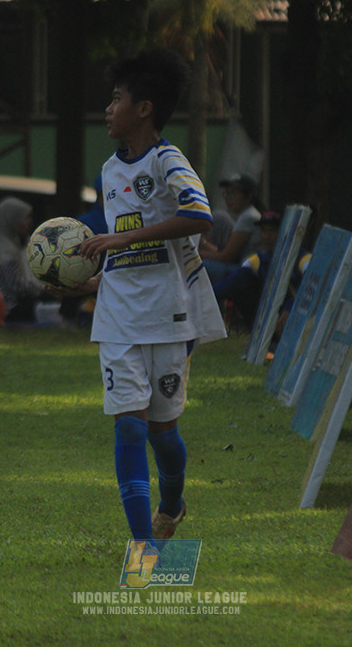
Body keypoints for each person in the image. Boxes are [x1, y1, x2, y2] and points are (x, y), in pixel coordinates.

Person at [57, 48, 226, 548]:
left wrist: (122, 240)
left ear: (144, 108)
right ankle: (141, 546)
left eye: (116, 99)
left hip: (170, 315)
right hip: (116, 318)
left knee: (162, 435)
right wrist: (77, 274)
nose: (108, 109)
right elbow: (108, 237)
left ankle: (172, 501)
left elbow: (200, 217)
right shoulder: (109, 172)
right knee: (128, 429)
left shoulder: (168, 160)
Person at [213, 210, 311, 330]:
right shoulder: (259, 260)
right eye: (263, 231)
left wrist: (289, 308)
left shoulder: (303, 258)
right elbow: (228, 284)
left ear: (284, 232)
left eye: (272, 231)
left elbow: (312, 287)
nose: (266, 236)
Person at [0, 196, 47, 324]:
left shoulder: (6, 245)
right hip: (10, 310)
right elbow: (19, 287)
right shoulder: (5, 252)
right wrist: (46, 289)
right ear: (12, 219)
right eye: (25, 218)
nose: (29, 222)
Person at [198, 173, 263, 281]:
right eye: (226, 194)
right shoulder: (245, 215)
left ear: (248, 196)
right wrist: (202, 244)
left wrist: (196, 254)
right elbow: (223, 252)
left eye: (232, 193)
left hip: (247, 272)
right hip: (242, 268)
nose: (228, 198)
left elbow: (226, 257)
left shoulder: (248, 217)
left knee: (201, 266)